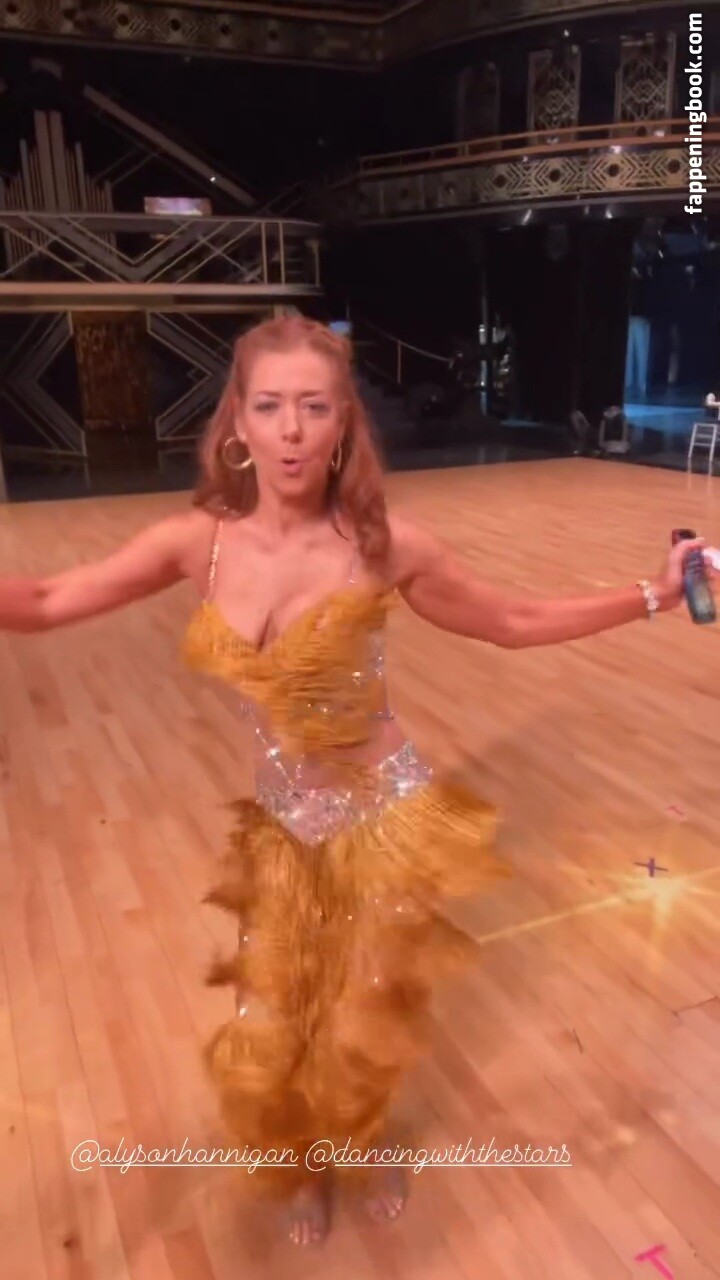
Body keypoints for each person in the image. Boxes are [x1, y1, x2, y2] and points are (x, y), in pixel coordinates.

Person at [0, 316, 710, 1247]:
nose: (292, 429)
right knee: (274, 1019)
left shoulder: (384, 544)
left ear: (343, 424)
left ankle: (363, 1140)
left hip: (386, 817)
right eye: (270, 406)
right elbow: (46, 600)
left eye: (314, 406)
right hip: (282, 826)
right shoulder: (195, 544)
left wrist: (655, 593)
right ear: (236, 424)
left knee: (362, 1013)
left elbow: (513, 620)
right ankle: (302, 1159)